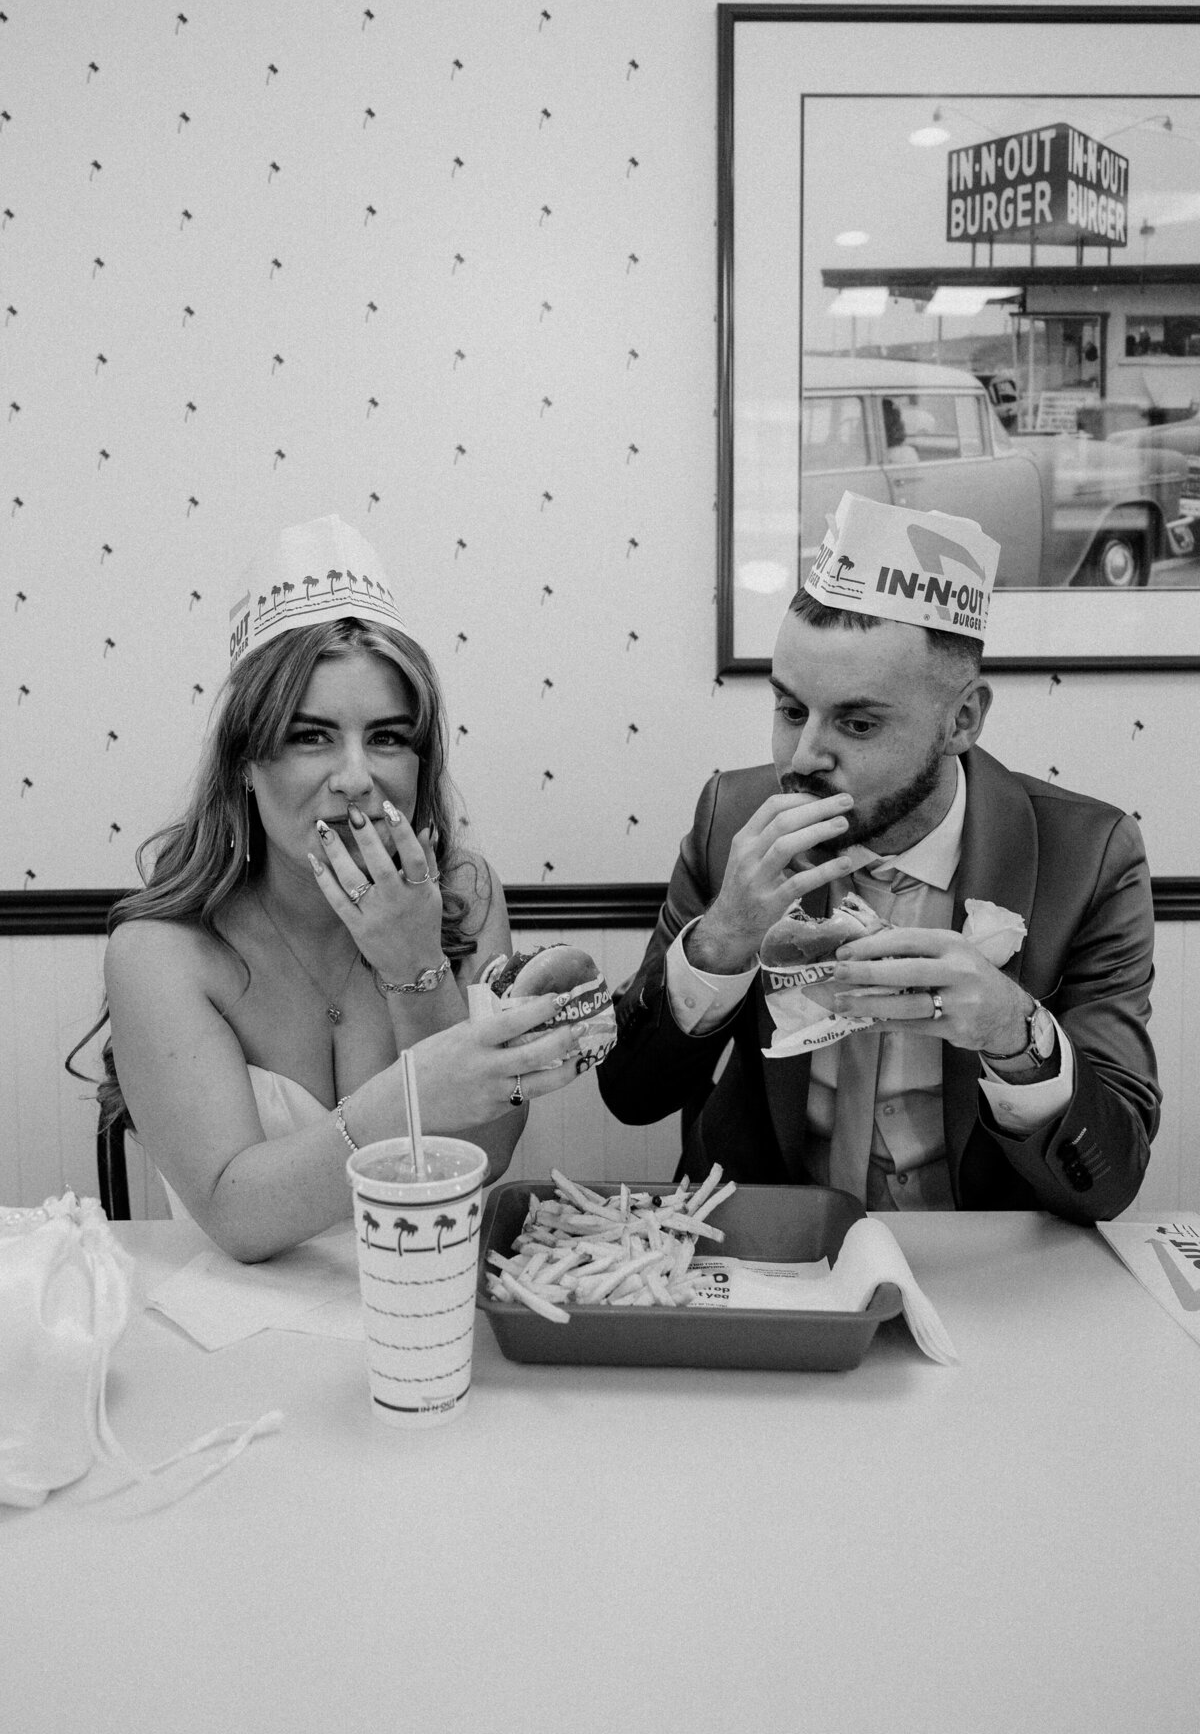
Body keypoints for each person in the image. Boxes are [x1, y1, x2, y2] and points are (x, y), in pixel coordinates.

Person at [599, 492, 1160, 1222]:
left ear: (962, 719)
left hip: (982, 1274)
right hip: (772, 1253)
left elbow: (1112, 1181)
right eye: (791, 710)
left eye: (857, 723)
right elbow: (631, 1096)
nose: (802, 759)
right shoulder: (731, 822)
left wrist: (1014, 1035)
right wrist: (720, 940)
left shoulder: (1087, 859)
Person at [73, 516, 588, 1261]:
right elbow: (237, 1214)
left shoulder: (467, 894)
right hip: (236, 1333)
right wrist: (412, 1095)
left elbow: (487, 1155)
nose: (356, 779)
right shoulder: (160, 954)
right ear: (246, 764)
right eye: (311, 736)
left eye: (387, 737)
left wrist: (416, 968)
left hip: (436, 1299)